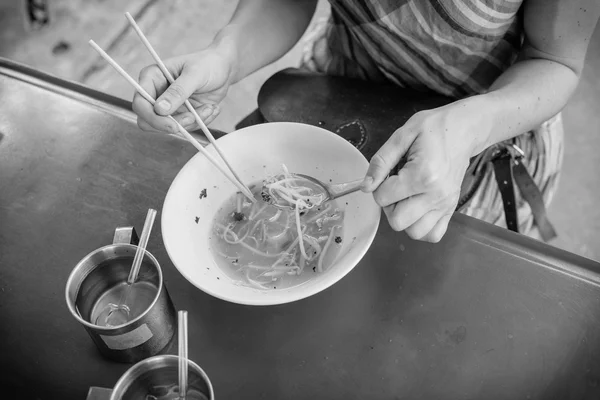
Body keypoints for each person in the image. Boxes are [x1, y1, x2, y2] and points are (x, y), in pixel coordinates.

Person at [132, 0, 599, 243]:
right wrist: (225, 55)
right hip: (338, 101)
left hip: (485, 134)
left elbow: (555, 60)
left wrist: (469, 127)